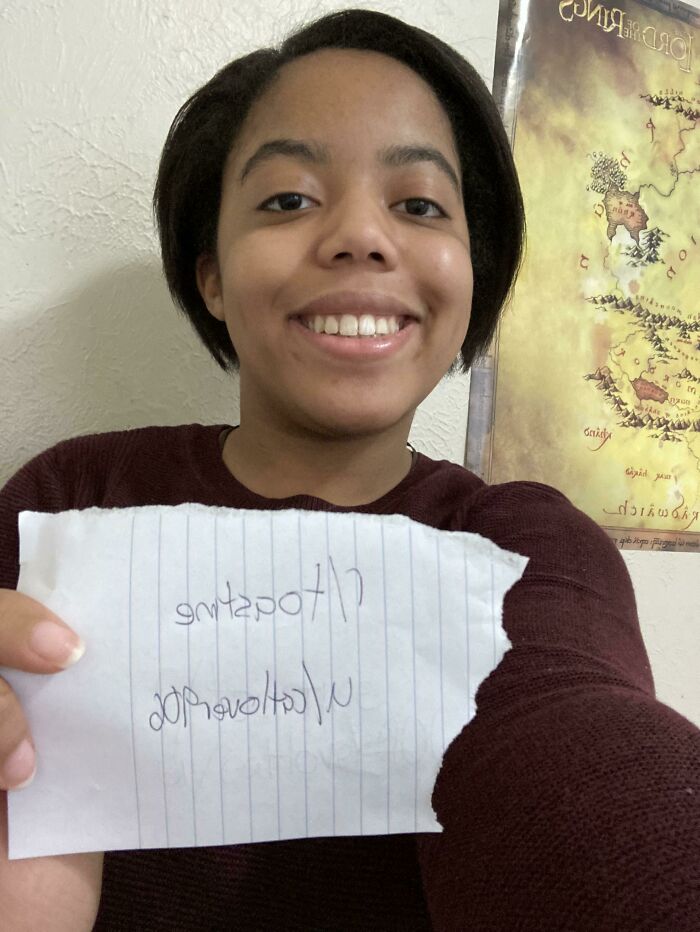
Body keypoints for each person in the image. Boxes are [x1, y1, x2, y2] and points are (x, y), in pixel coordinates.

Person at [0, 8, 698, 930]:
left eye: (418, 205)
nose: (361, 236)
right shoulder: (74, 501)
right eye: (288, 199)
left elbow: (569, 742)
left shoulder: (529, 547)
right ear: (210, 274)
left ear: (473, 273)